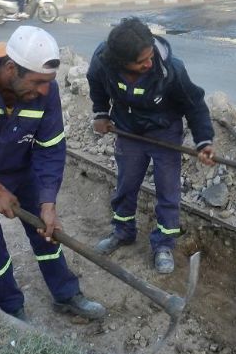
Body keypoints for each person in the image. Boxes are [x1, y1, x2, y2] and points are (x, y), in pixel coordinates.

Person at [0, 26, 106, 321]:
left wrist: (48, 203)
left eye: (48, 83)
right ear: (11, 68)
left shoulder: (44, 92)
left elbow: (50, 148)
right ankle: (11, 305)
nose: (45, 91)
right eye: (38, 82)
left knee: (46, 231)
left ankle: (65, 293)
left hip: (18, 161)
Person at [86, 17, 216, 274]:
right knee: (126, 184)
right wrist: (101, 113)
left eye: (150, 56)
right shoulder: (103, 61)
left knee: (168, 190)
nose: (149, 62)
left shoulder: (171, 70)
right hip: (128, 131)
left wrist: (204, 140)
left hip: (164, 132)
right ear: (122, 62)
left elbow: (195, 105)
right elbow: (96, 84)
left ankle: (164, 244)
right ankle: (123, 232)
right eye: (141, 60)